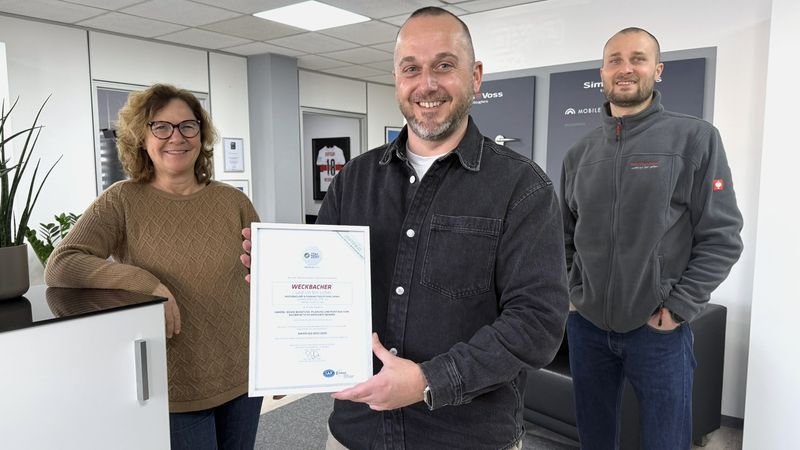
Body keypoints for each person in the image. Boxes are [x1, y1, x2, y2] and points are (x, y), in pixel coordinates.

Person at [242, 7, 568, 450]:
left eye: (444, 66)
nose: (426, 84)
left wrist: (426, 381)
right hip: (356, 433)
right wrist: (282, 312)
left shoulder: (522, 188)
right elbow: (324, 285)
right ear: (397, 79)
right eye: (411, 68)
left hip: (464, 438)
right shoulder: (354, 179)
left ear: (475, 77)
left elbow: (537, 324)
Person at [45, 84, 263, 450]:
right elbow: (61, 264)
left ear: (201, 135)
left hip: (243, 377)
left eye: (187, 126)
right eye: (161, 127)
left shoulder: (234, 201)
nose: (176, 138)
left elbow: (264, 279)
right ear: (141, 138)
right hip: (173, 385)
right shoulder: (121, 200)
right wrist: (144, 282)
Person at [560, 28, 744, 449]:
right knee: (595, 439)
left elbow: (722, 236)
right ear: (602, 72)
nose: (626, 68)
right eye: (616, 59)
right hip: (587, 328)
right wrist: (573, 291)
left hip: (657, 331)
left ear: (657, 70)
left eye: (638, 59)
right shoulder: (580, 153)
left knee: (666, 441)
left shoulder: (695, 139)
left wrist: (678, 307)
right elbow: (563, 235)